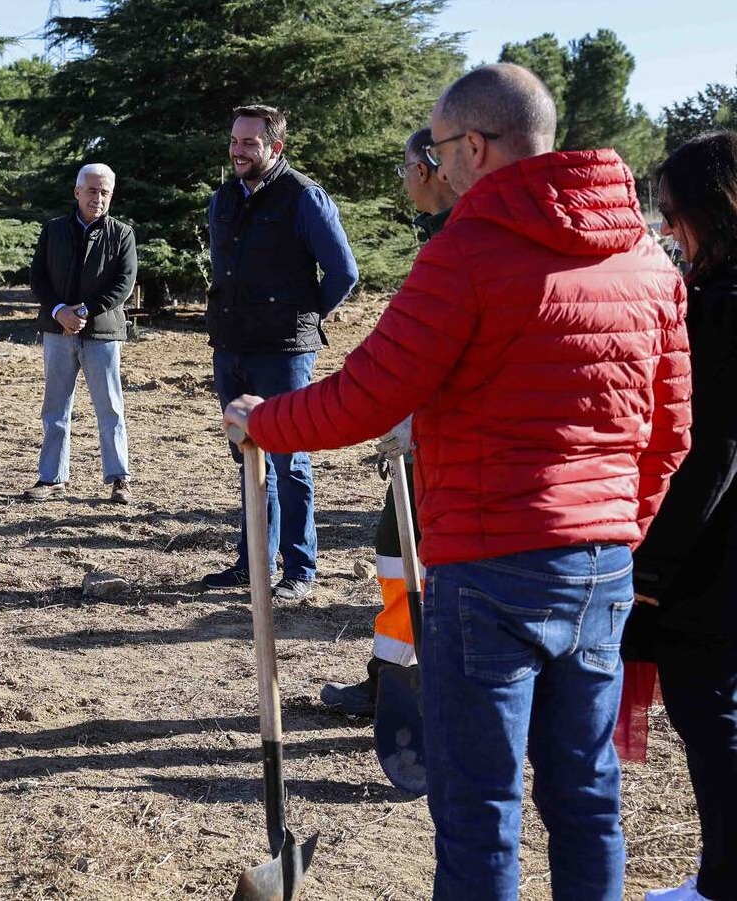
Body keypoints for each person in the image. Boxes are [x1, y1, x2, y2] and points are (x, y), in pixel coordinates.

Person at [223, 63, 690, 898]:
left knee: (480, 811)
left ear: (474, 145)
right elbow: (670, 431)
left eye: (438, 151)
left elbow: (365, 394)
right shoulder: (648, 260)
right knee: (587, 798)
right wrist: (619, 527)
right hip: (601, 567)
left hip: (490, 568)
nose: (435, 167)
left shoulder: (468, 252)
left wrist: (264, 422)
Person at [627, 131, 737, 901]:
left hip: (713, 555)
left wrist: (652, 567)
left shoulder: (723, 305)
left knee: (711, 715)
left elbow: (709, 452)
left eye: (672, 212)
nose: (667, 228)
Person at [321, 128, 459, 716]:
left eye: (405, 168)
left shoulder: (457, 245)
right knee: (397, 551)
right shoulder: (449, 237)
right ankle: (397, 674)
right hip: (430, 437)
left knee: (406, 553)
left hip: (447, 446)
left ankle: (409, 683)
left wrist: (405, 415)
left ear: (428, 169)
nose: (402, 181)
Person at [202, 103, 359, 602]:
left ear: (275, 147)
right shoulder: (223, 199)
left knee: (290, 460)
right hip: (232, 348)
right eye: (234, 140)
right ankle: (253, 563)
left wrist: (305, 317)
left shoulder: (304, 197)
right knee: (249, 458)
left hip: (285, 351)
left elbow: (343, 273)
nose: (239, 150)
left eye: (250, 142)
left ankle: (299, 568)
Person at [22, 163, 138, 505]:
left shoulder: (122, 234)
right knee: (55, 406)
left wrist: (84, 311)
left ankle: (119, 479)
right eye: (92, 191)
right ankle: (51, 478)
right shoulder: (53, 230)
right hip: (58, 331)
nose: (98, 198)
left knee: (110, 408)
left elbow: (123, 283)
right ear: (77, 192)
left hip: (102, 333)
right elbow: (38, 277)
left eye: (105, 192)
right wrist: (59, 312)